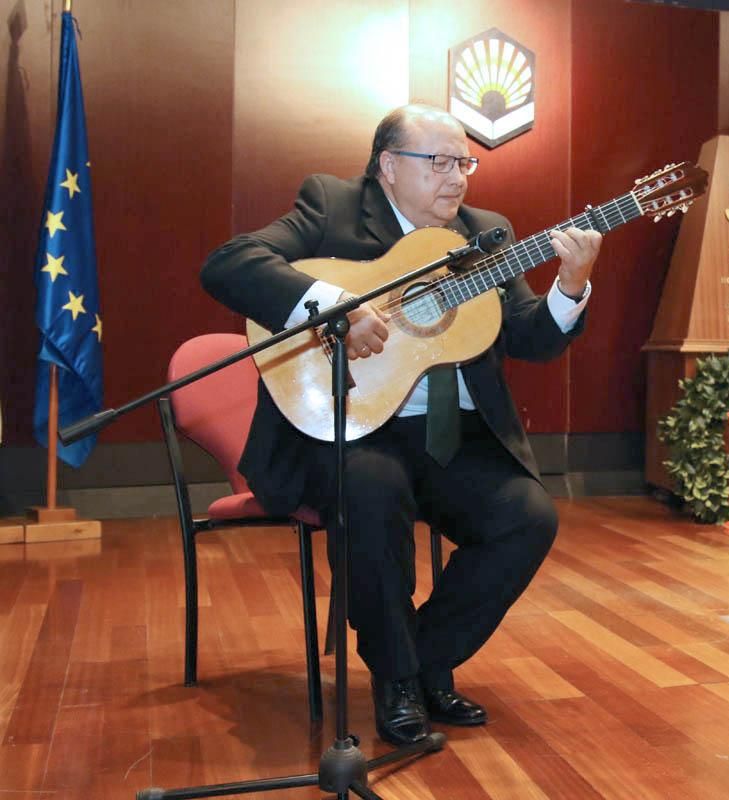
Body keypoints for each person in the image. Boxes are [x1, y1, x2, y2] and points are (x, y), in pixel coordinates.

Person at [200, 104, 601, 746]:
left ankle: (420, 661)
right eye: (438, 162)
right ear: (388, 166)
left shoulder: (487, 231)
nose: (458, 178)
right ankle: (399, 682)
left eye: (465, 163)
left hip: (454, 439)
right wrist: (335, 307)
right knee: (372, 492)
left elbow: (529, 337)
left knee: (528, 517)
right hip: (351, 426)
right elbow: (229, 263)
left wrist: (571, 286)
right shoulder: (332, 205)